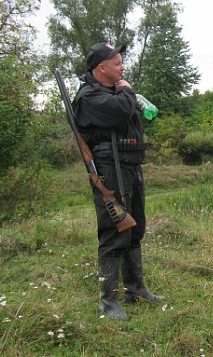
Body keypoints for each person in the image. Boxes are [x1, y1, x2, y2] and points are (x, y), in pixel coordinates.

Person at [73, 42, 164, 320]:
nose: (122, 67)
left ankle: (136, 289)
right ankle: (108, 301)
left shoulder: (114, 92)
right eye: (117, 63)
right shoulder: (89, 96)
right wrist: (126, 89)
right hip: (109, 170)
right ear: (101, 68)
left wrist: (124, 90)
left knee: (135, 229)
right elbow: (121, 111)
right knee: (114, 232)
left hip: (130, 166)